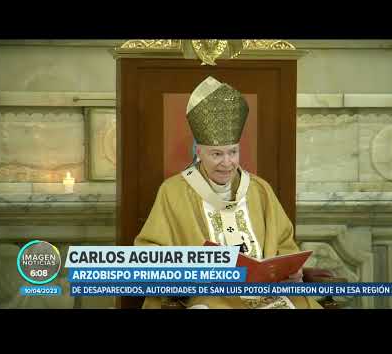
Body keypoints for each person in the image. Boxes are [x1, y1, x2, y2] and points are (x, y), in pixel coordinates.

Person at [134, 76, 322, 309]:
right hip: (211, 296)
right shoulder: (174, 192)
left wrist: (291, 271)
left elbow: (284, 243)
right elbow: (149, 251)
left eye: (232, 152)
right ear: (199, 152)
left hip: (267, 293)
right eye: (217, 154)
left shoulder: (259, 189)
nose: (227, 163)